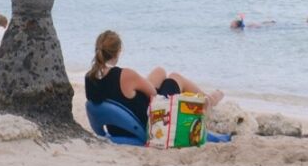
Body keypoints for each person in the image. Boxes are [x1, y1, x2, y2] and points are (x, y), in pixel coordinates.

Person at [84, 30, 221, 128]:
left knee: (159, 71)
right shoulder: (125, 75)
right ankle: (209, 100)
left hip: (117, 125)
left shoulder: (89, 78)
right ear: (119, 50)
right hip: (151, 118)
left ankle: (208, 99)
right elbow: (155, 95)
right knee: (174, 77)